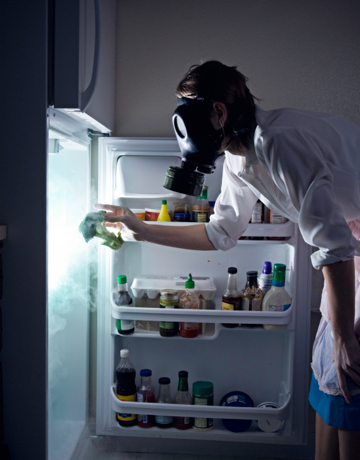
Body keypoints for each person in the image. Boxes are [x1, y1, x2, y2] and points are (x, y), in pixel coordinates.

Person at [96, 60, 360, 460]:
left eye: (188, 110)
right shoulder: (240, 157)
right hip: (352, 249)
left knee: (349, 373)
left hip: (351, 249)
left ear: (218, 111)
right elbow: (221, 233)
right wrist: (142, 230)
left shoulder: (278, 141)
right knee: (327, 376)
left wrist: (343, 336)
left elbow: (334, 249)